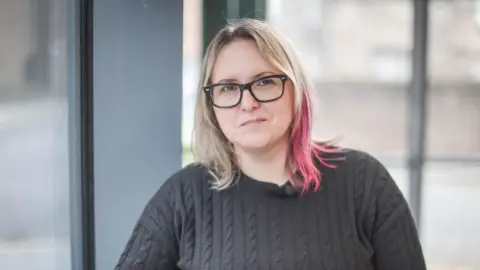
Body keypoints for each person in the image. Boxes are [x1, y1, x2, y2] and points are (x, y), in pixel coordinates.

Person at [114, 18, 426, 270]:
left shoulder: (364, 183)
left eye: (264, 82)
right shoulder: (183, 196)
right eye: (228, 88)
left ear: (296, 90)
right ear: (211, 106)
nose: (247, 103)